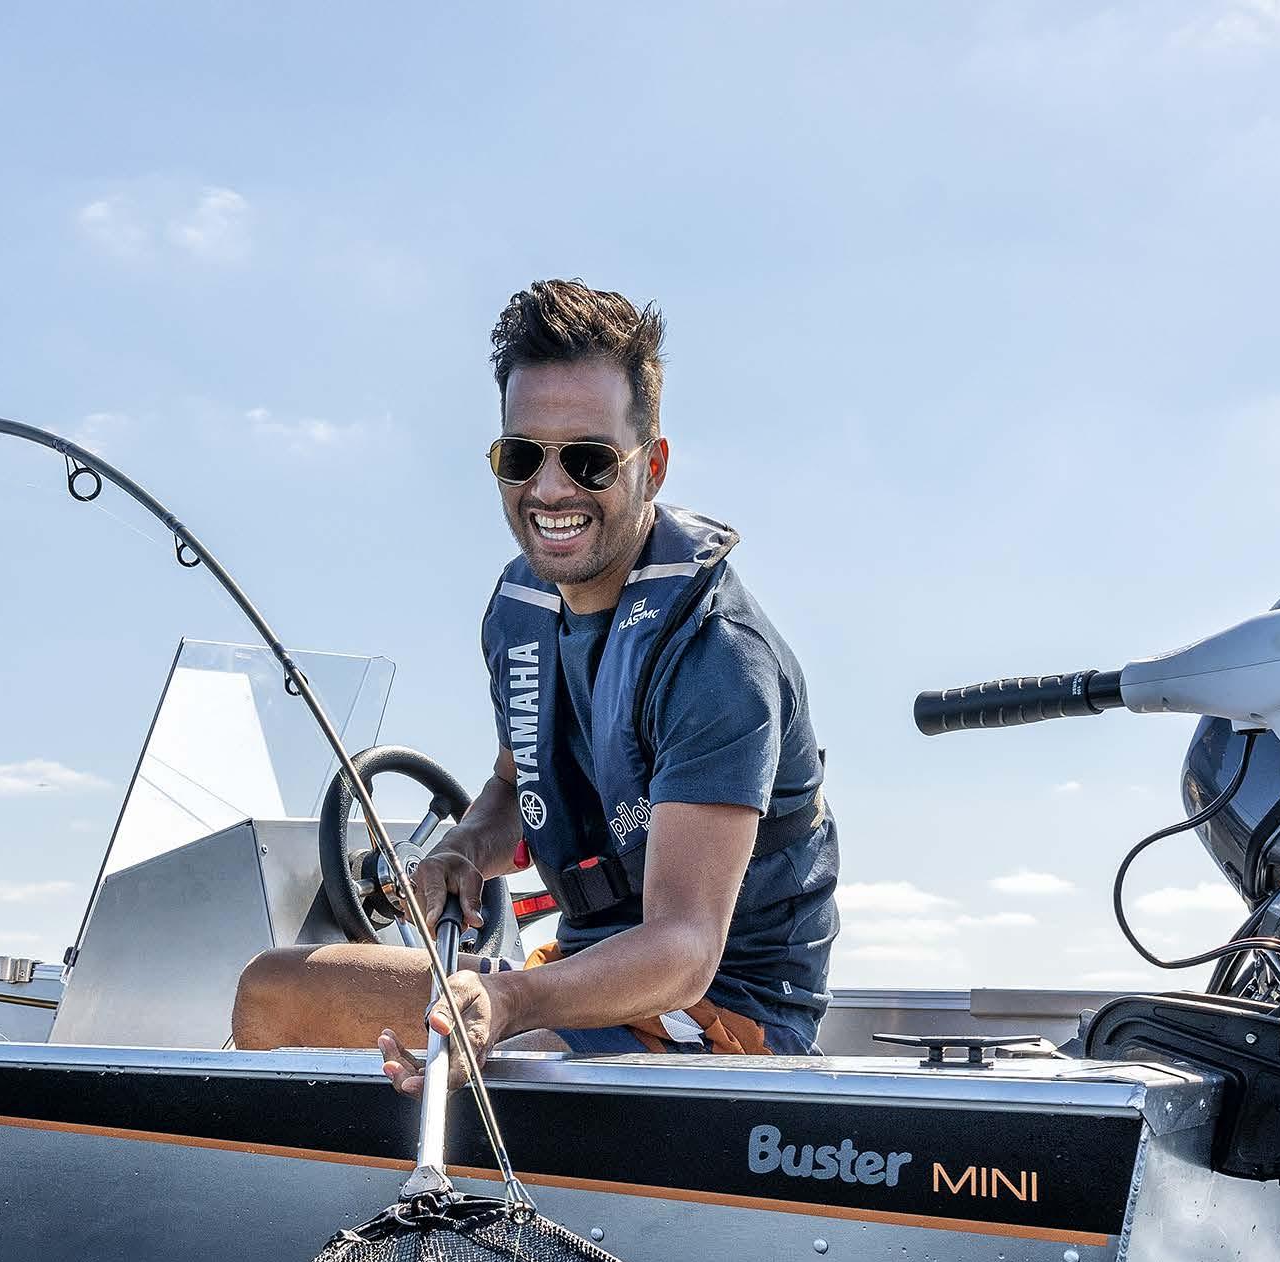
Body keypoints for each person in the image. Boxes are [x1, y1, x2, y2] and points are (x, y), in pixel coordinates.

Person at [231, 280, 837, 1086]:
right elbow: (518, 788)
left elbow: (686, 948)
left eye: (588, 460)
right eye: (523, 457)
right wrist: (462, 851)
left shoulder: (718, 655)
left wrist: (510, 1001)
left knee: (504, 1065)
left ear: (652, 467)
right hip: (580, 976)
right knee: (271, 991)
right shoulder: (519, 612)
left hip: (721, 1014)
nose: (550, 491)